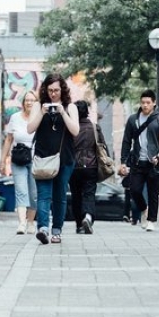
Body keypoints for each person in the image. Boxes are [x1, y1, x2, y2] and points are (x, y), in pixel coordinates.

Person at [27, 73, 79, 244]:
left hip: (64, 158)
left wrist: (63, 113)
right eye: (50, 90)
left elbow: (75, 131)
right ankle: (43, 228)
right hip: (43, 157)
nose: (53, 94)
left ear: (62, 90)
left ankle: (56, 230)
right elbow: (30, 129)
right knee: (43, 195)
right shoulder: (38, 106)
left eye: (56, 90)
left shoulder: (70, 107)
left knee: (59, 196)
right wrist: (41, 113)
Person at [118, 89, 159, 232]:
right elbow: (126, 141)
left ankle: (151, 220)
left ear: (154, 103)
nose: (145, 105)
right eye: (143, 102)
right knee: (135, 190)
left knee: (153, 192)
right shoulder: (133, 119)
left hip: (153, 161)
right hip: (137, 161)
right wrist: (123, 161)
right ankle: (144, 209)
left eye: (148, 103)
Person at [1, 91, 39, 234]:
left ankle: (30, 222)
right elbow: (9, 140)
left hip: (36, 159)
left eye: (32, 100)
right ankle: (22, 223)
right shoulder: (15, 118)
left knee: (34, 194)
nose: (29, 102)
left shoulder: (39, 118)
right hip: (18, 158)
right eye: (27, 100)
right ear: (23, 102)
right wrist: (3, 160)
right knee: (21, 190)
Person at [69, 100, 104, 234]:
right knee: (89, 193)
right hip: (91, 166)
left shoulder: (71, 128)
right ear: (87, 112)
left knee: (76, 195)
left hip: (73, 167)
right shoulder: (94, 128)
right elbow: (102, 145)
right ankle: (88, 217)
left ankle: (79, 225)